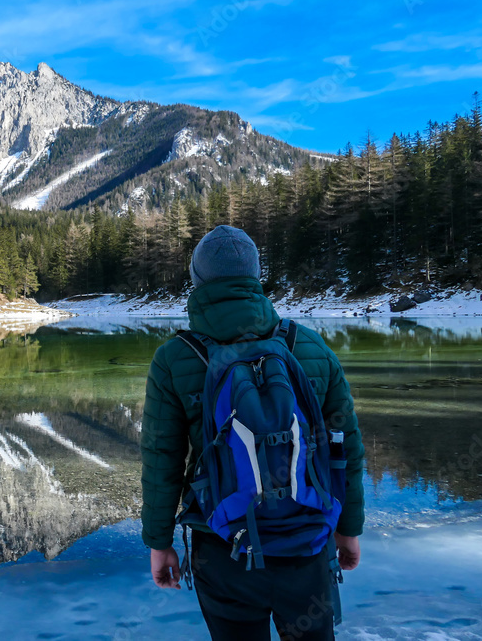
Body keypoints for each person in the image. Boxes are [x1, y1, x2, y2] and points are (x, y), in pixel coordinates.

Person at [140, 225, 365, 641]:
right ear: (256, 277)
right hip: (307, 540)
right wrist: (348, 529)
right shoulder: (311, 347)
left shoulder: (174, 358)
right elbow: (345, 447)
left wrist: (159, 542)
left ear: (198, 280)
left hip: (222, 546)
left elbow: (162, 460)